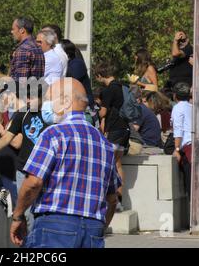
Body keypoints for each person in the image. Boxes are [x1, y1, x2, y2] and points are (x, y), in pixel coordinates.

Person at [10, 78, 120, 248]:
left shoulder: (53, 134)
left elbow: (34, 182)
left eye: (48, 100)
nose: (45, 106)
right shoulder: (104, 143)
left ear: (65, 101)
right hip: (93, 228)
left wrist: (18, 215)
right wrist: (99, 228)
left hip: (55, 225)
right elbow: (112, 198)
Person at [0, 84, 48, 231]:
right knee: (24, 210)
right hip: (22, 170)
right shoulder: (22, 114)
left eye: (32, 98)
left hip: (42, 169)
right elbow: (7, 138)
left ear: (42, 98)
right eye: (27, 98)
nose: (29, 101)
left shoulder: (49, 116)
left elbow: (16, 143)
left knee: (41, 209)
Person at [94, 61, 130, 211]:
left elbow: (103, 112)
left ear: (101, 75)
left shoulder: (109, 91)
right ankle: (119, 200)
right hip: (124, 129)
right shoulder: (123, 87)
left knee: (109, 164)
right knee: (118, 164)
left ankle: (113, 200)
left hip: (114, 129)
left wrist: (95, 111)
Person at [61, 39, 94, 108]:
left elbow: (70, 84)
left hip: (83, 108)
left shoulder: (77, 64)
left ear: (67, 53)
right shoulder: (67, 64)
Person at [10, 17, 45, 82]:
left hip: (24, 91)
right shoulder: (38, 46)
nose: (11, 32)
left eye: (13, 29)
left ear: (22, 30)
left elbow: (20, 83)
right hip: (37, 90)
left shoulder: (23, 49)